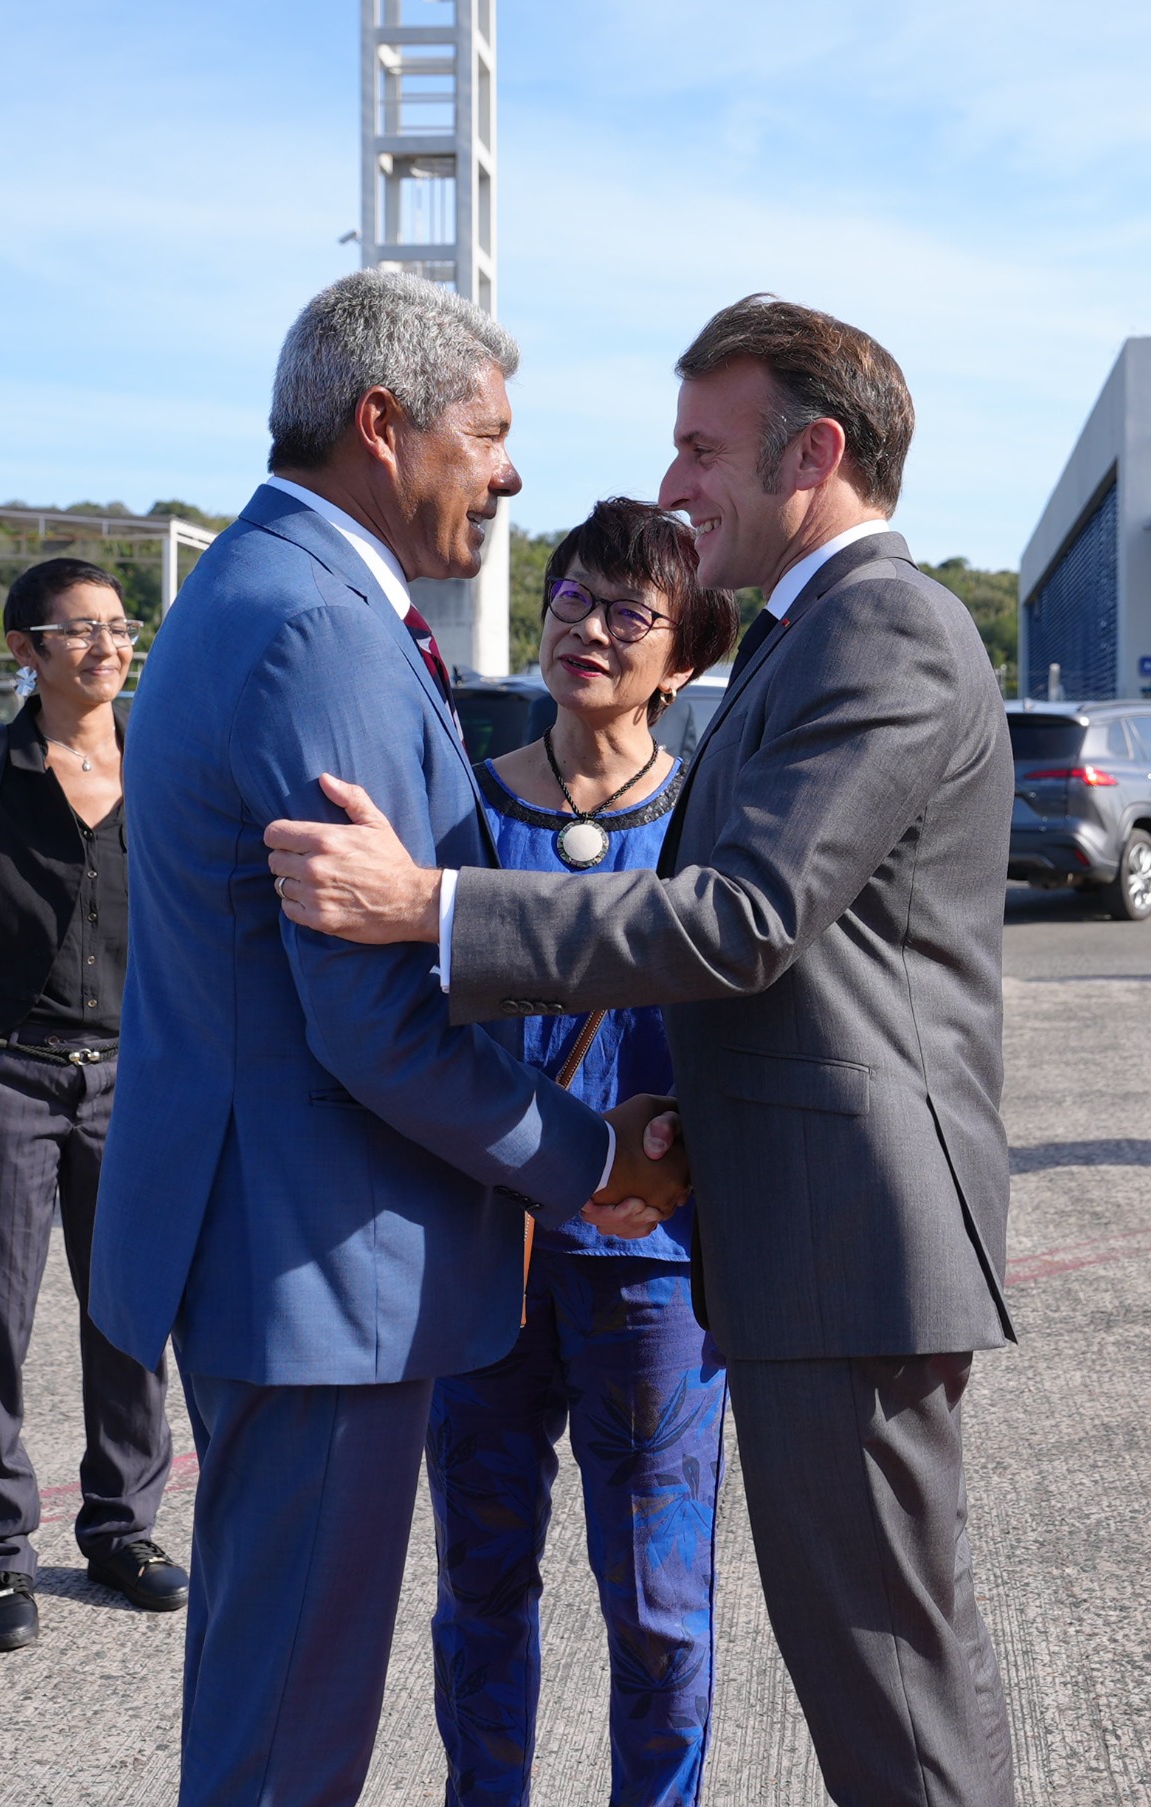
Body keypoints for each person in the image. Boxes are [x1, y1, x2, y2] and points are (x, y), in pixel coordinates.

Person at [268, 294, 1020, 1804]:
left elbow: (742, 917)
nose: (676, 483)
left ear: (813, 449)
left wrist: (433, 903)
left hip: (849, 1238)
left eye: (702, 446)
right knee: (872, 1664)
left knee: (890, 1672)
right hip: (797, 1234)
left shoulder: (881, 624)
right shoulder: (813, 635)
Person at [86, 270, 689, 1805]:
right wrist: (589, 1155)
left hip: (275, 1243)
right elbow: (373, 1021)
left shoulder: (266, 588)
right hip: (320, 1257)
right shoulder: (320, 628)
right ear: (381, 424)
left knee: (265, 1682)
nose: (509, 471)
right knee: (293, 1729)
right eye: (487, 434)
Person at [427, 499, 737, 1804]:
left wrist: (675, 1161)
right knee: (480, 1587)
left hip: (652, 1263)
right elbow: (415, 1031)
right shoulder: (465, 802)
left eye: (629, 611)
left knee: (659, 1604)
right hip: (487, 1257)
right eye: (569, 595)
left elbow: (756, 1012)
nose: (587, 627)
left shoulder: (712, 817)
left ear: (681, 659)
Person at [0, 559, 184, 1653]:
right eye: (81, 630)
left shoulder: (166, 758)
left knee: (130, 1308)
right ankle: (0, 1550)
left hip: (137, 1077)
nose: (108, 646)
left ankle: (121, 1525)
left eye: (119, 626)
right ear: (24, 647)